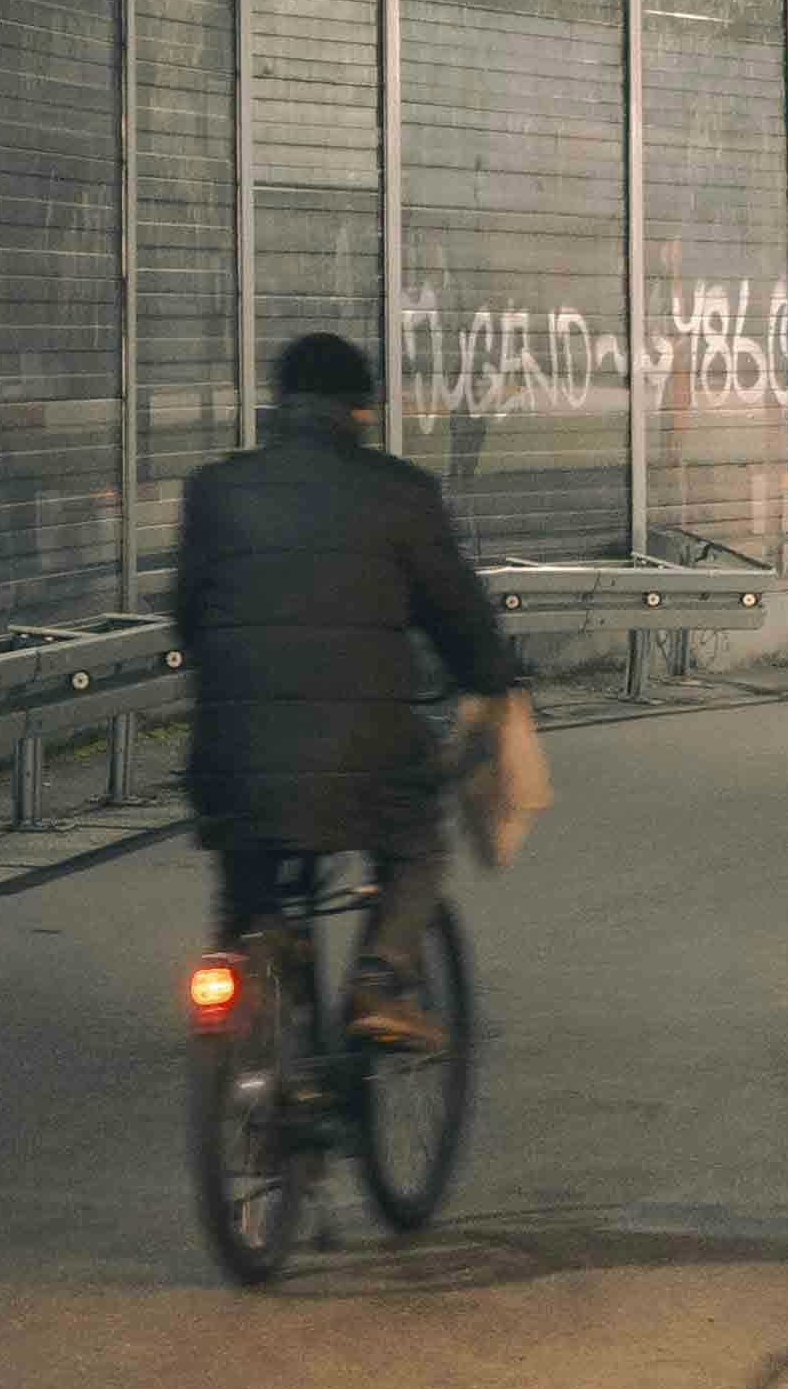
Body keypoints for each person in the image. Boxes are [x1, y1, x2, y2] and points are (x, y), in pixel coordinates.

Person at [173, 326, 528, 1045]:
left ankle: (249, 957)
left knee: (248, 859)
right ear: (360, 411)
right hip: (364, 758)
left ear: (277, 405)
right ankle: (378, 980)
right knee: (416, 840)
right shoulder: (399, 493)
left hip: (229, 758)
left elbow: (188, 617)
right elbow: (456, 615)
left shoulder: (215, 490)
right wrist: (491, 682)